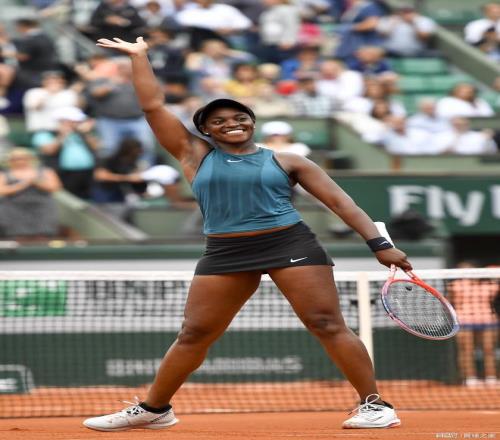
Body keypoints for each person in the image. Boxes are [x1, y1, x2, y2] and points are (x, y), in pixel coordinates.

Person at [83, 35, 412, 432]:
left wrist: (380, 245)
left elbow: (342, 204)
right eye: (219, 121)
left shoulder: (288, 160)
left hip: (289, 243)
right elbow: (152, 105)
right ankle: (155, 409)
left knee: (325, 323)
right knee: (194, 333)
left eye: (239, 117)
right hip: (225, 252)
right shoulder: (194, 154)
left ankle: (375, 406)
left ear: (252, 122)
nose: (231, 124)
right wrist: (140, 57)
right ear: (206, 130)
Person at [448, 261, 499, 386]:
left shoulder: (489, 285)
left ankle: (491, 378)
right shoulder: (454, 286)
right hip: (464, 321)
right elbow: (449, 303)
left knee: (489, 350)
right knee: (466, 350)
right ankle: (470, 379)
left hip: (487, 320)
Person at [0, 147, 61, 241]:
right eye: (15, 159)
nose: (19, 161)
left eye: (23, 158)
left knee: (42, 236)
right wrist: (23, 184)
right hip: (14, 210)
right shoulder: (4, 174)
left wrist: (36, 182)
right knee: (17, 236)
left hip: (41, 209)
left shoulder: (46, 171)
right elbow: (2, 190)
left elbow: (55, 187)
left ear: (30, 158)